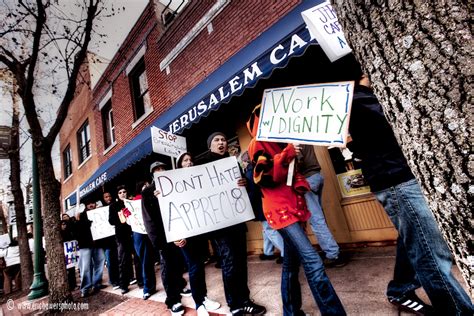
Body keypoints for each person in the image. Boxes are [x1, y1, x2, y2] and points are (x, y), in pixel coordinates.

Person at [348, 74, 473, 315]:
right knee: (432, 259)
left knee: (418, 241)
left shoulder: (369, 98)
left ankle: (400, 288)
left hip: (402, 177)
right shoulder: (359, 100)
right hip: (398, 181)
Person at [247, 105, 346, 316]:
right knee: (313, 261)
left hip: (295, 207)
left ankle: (290, 311)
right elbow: (261, 178)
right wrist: (286, 155)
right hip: (280, 211)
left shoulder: (286, 140)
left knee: (291, 264)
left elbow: (291, 175)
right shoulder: (258, 144)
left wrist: (291, 155)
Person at [196, 132, 266, 316]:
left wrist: (244, 184)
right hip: (220, 226)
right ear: (210, 145)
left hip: (237, 221)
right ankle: (234, 304)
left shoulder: (233, 163)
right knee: (229, 262)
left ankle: (245, 300)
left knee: (241, 262)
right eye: (217, 140)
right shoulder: (202, 165)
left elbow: (245, 188)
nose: (221, 142)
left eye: (223, 139)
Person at [141, 161, 191, 315]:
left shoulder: (174, 185)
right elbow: (148, 219)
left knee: (178, 264)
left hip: (177, 232)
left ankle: (180, 286)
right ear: (152, 174)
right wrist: (158, 242)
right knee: (167, 268)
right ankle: (173, 301)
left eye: (163, 168)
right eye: (157, 169)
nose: (161, 171)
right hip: (163, 237)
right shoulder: (148, 192)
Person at [175, 152, 221, 315]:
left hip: (200, 231)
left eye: (191, 160)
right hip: (185, 234)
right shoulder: (174, 184)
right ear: (179, 165)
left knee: (200, 265)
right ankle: (198, 303)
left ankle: (203, 297)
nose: (189, 162)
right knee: (194, 267)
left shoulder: (199, 181)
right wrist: (176, 235)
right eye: (185, 160)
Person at [294, 144, 346, 267]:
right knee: (319, 217)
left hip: (307, 180)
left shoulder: (293, 140)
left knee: (316, 220)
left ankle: (333, 254)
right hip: (317, 175)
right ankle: (331, 250)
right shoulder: (304, 135)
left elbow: (299, 160)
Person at [240, 150, 284, 263]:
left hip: (260, 205)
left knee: (269, 229)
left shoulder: (249, 171)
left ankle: (286, 253)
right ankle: (268, 252)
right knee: (266, 229)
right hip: (263, 202)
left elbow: (253, 192)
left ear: (245, 161)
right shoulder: (254, 168)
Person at [128, 181, 156, 300]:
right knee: (146, 260)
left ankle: (149, 287)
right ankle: (148, 287)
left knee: (147, 260)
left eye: (148, 185)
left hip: (149, 232)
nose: (147, 187)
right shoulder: (134, 202)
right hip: (141, 233)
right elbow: (128, 220)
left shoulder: (153, 197)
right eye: (145, 186)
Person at [73, 199, 106, 297]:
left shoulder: (99, 213)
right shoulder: (80, 216)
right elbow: (76, 232)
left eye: (93, 202)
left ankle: (97, 284)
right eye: (89, 203)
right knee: (85, 267)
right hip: (85, 245)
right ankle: (85, 288)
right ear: (85, 205)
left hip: (98, 243)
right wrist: (77, 220)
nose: (91, 204)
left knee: (100, 264)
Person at [108, 186, 134, 294]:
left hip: (134, 232)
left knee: (137, 258)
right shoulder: (113, 206)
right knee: (123, 260)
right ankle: (124, 284)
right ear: (117, 195)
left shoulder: (131, 202)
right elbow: (111, 221)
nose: (123, 194)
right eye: (120, 192)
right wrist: (121, 215)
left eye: (124, 191)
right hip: (122, 235)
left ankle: (140, 281)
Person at [101, 192, 120, 290]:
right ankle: (113, 281)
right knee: (110, 261)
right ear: (103, 198)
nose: (108, 198)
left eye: (109, 196)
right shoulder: (100, 210)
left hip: (115, 237)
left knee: (118, 260)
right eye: (106, 197)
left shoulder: (115, 206)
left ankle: (119, 279)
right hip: (107, 241)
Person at [61, 218, 77, 291]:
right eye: (62, 224)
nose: (64, 226)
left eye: (65, 224)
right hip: (65, 255)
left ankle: (73, 285)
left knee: (72, 270)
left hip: (70, 255)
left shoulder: (70, 232)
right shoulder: (60, 234)